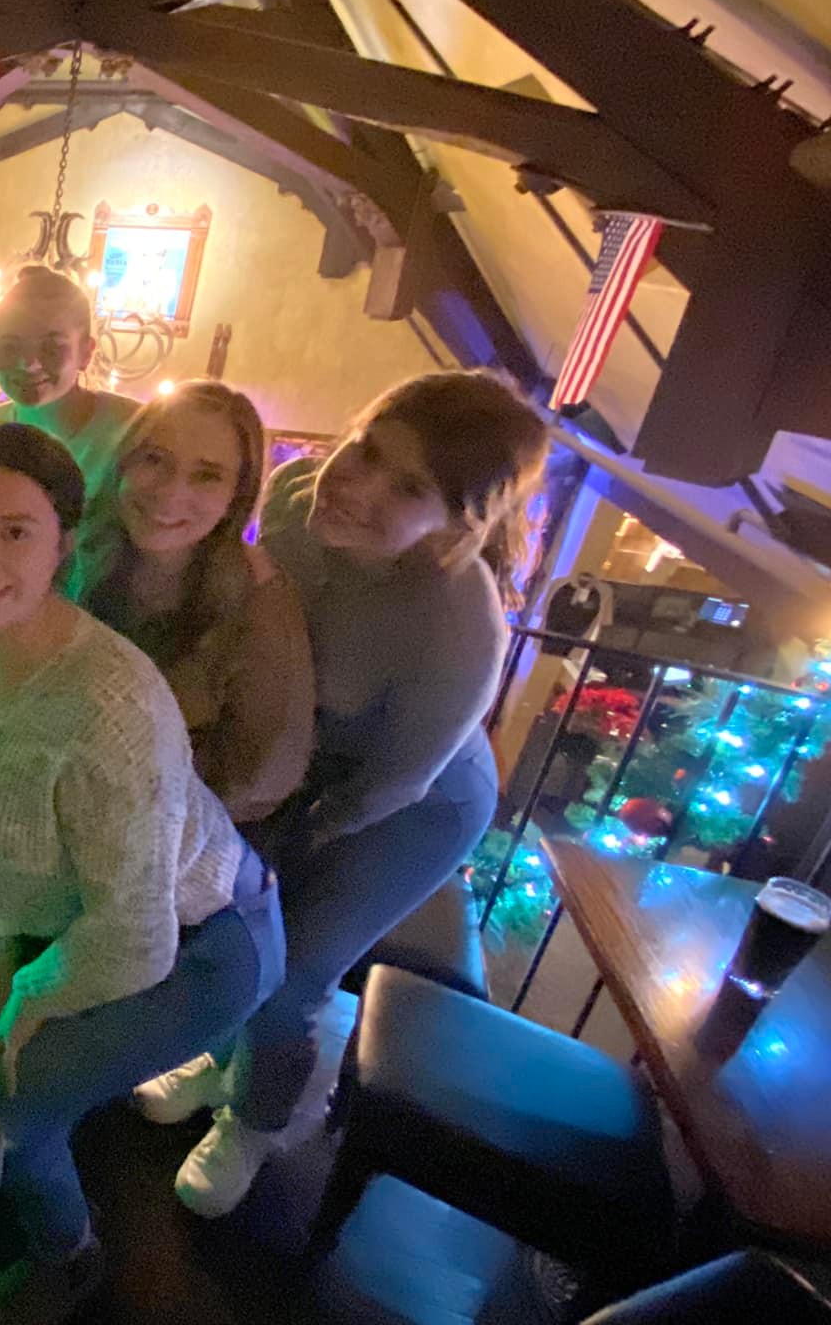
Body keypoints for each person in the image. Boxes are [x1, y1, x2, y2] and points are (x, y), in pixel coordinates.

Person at [0, 423, 284, 1325]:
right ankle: (1, 1152)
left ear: (63, 546)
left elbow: (136, 934)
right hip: (69, 920)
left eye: (16, 532)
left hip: (198, 939)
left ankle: (67, 1259)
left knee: (2, 1105)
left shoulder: (112, 703)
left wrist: (23, 1004)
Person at [158, 369, 548, 1217]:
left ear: (460, 523)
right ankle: (219, 1059)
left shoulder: (462, 622)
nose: (357, 485)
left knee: (296, 967)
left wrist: (294, 838)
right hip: (302, 765)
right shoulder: (296, 494)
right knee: (231, 927)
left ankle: (256, 1123)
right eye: (366, 449)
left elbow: (396, 783)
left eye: (407, 488)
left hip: (409, 804)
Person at [76, 382, 313, 825]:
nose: (170, 492)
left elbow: (263, 779)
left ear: (235, 497)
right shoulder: (73, 550)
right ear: (124, 461)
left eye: (206, 476)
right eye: (154, 459)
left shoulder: (259, 605)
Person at [0, 266, 140, 497]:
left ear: (86, 353)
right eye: (11, 346)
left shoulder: (132, 429)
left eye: (51, 347)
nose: (28, 363)